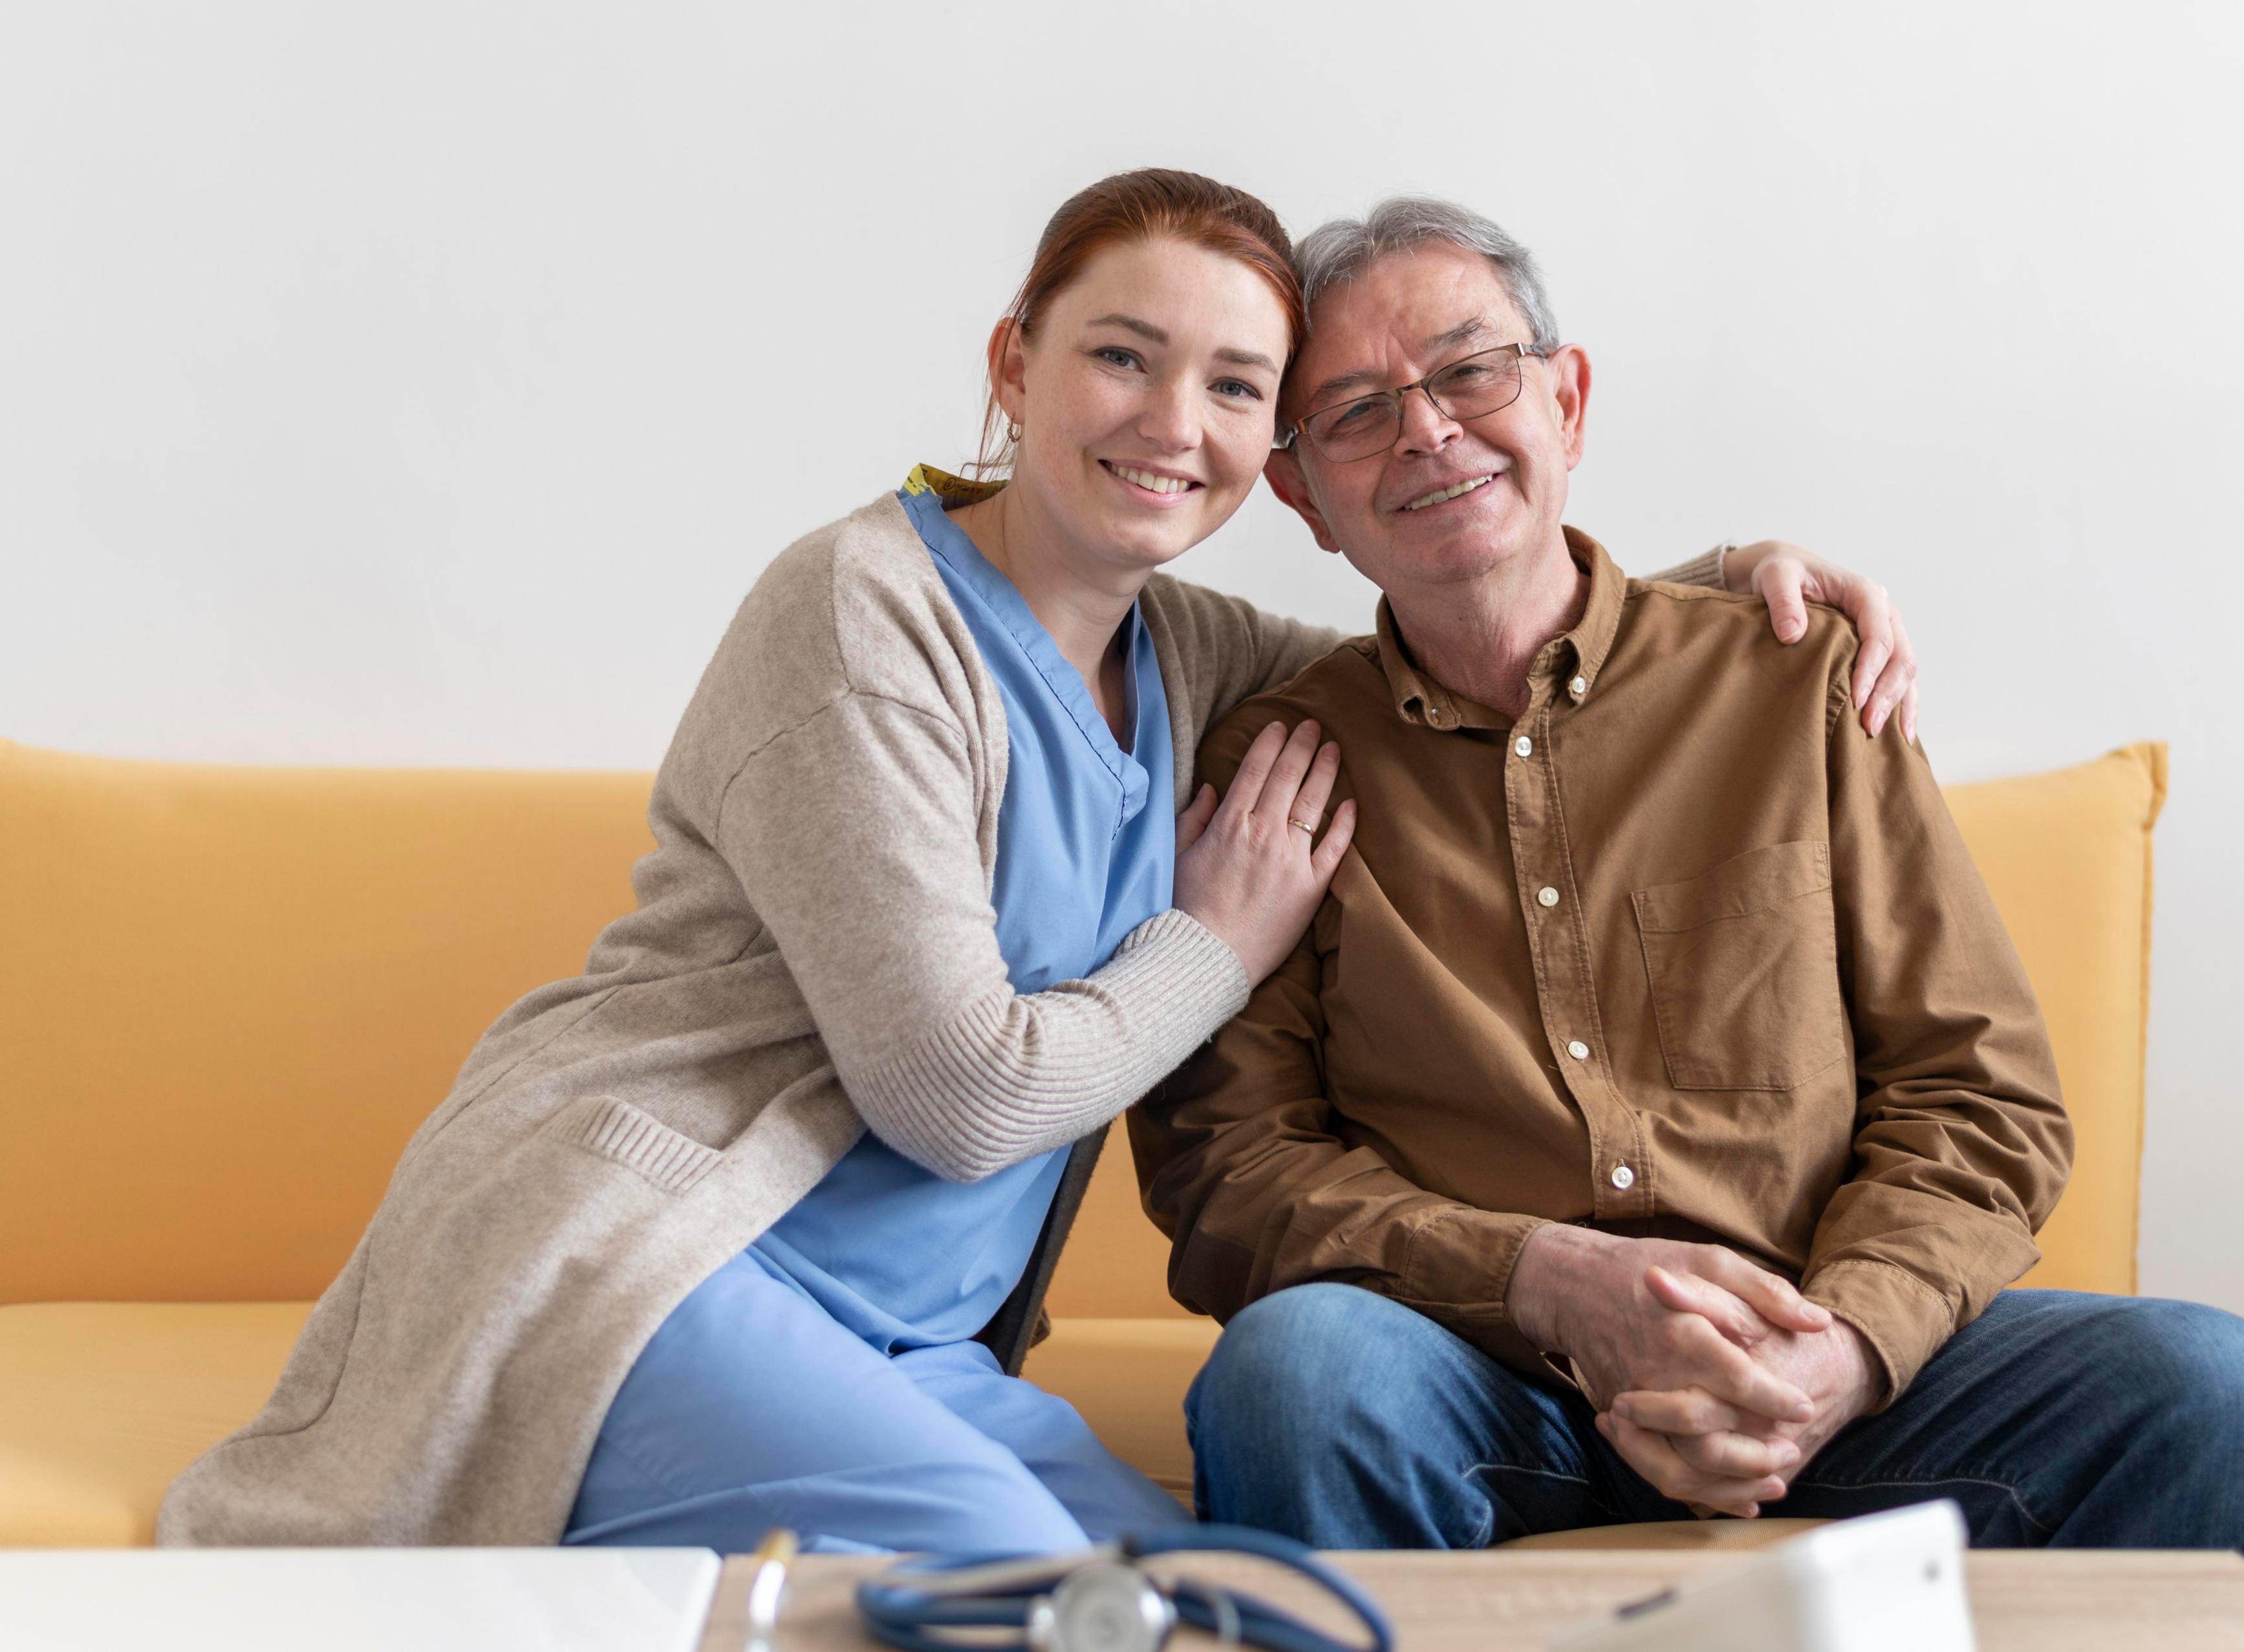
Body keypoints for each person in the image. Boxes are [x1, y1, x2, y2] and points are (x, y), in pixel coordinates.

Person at [158, 171, 1919, 1555]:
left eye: (1236, 383)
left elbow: (1451, 618)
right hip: (658, 1260)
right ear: (1014, 362)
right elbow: (960, 1101)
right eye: (1122, 355)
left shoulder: (1189, 650)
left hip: (916, 1353)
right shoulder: (857, 616)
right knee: (1034, 1588)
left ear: (1278, 458)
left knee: (1208, 1597)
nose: (1176, 420)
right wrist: (1216, 945)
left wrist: (1719, 590)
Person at [1135, 198, 2244, 1586]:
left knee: (2224, 1393)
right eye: (1354, 411)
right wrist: (1544, 1280)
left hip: (1837, 1379)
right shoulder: (1281, 763)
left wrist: (1846, 1345)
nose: (1427, 432)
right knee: (1294, 1375)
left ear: (1566, 399)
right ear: (1303, 496)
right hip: (1483, 1377)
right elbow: (1232, 1169)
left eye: (1472, 371)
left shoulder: (1797, 679)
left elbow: (1975, 1089)